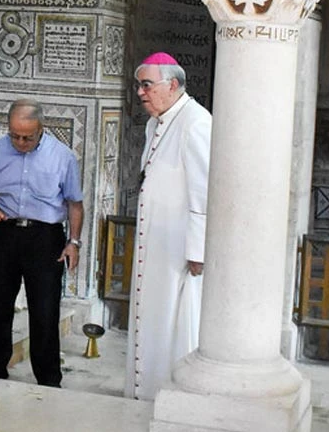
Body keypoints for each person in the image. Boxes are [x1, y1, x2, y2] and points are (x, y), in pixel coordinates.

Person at [0, 98, 84, 388]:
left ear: (41, 128)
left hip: (45, 238)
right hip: (4, 234)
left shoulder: (63, 157)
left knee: (45, 310)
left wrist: (73, 242)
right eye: (14, 136)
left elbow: (75, 204)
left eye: (27, 137)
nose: (20, 142)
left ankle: (48, 379)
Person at [125, 52, 211, 400]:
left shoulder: (196, 122)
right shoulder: (155, 124)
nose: (140, 93)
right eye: (139, 85)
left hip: (178, 249)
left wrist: (197, 250)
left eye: (147, 85)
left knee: (175, 323)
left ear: (172, 85)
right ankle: (144, 392)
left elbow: (204, 191)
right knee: (151, 319)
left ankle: (171, 397)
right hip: (155, 243)